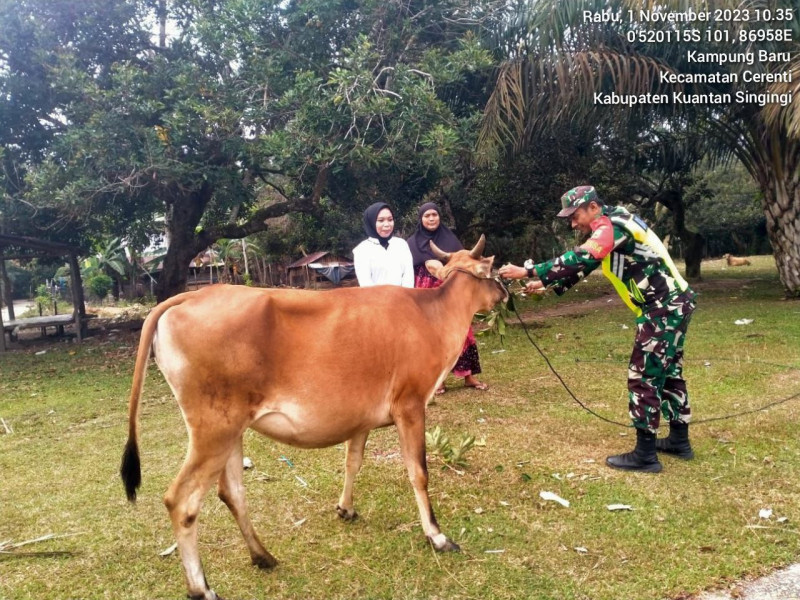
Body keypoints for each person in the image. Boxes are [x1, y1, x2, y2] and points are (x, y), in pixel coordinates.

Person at [498, 185, 696, 473]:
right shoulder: (619, 220)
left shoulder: (609, 226)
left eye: (574, 215)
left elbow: (584, 256)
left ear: (592, 207)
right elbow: (590, 263)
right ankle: (679, 440)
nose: (572, 223)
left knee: (644, 376)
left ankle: (645, 455)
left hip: (662, 308)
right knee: (669, 373)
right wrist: (547, 282)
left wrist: (530, 271)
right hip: (676, 303)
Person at [407, 202, 488, 394]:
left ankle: (469, 376)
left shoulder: (451, 240)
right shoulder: (411, 243)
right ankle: (438, 379)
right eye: (427, 216)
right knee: (431, 333)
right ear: (421, 219)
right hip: (426, 291)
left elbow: (463, 266)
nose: (431, 218)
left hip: (452, 291)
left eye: (434, 214)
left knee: (462, 329)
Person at [353, 202, 414, 288]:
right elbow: (366, 284)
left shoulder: (401, 245)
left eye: (390, 219)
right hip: (376, 300)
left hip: (403, 299)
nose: (387, 225)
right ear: (371, 222)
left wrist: (404, 298)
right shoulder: (361, 250)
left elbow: (408, 277)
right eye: (381, 220)